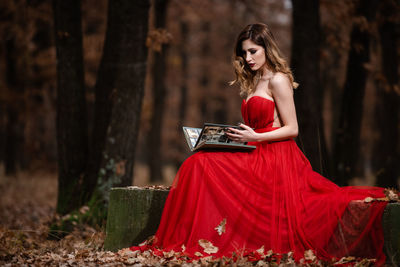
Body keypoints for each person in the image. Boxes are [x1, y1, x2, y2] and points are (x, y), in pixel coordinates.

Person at [130, 23, 388, 265]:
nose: (248, 58)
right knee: (196, 161)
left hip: (275, 155)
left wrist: (256, 137)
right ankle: (192, 238)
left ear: (267, 48)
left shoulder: (278, 79)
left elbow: (292, 129)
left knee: (198, 164)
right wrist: (229, 137)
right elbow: (257, 125)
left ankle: (199, 240)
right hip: (254, 149)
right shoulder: (254, 80)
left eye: (253, 51)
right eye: (244, 53)